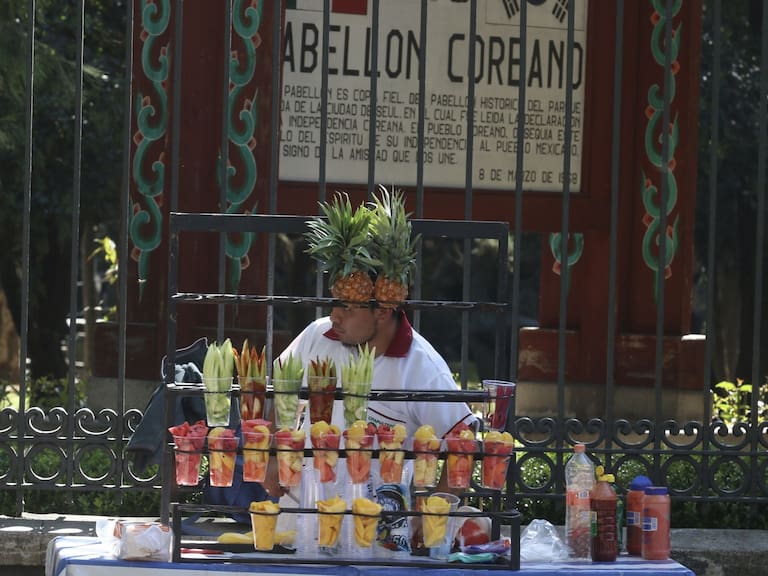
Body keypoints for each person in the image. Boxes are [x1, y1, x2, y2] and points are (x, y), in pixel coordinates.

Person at [273, 302, 477, 493]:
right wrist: (273, 457)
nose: (335, 316)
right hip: (301, 509)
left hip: (375, 521)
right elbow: (279, 391)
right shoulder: (318, 334)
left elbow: (463, 441)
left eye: (347, 307)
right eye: (335, 303)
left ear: (382, 311)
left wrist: (434, 516)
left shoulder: (423, 368)